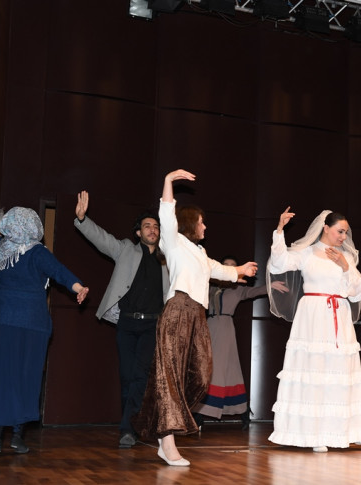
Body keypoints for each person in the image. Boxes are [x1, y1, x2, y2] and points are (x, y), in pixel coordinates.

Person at [132, 169, 258, 467]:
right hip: (177, 310)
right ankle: (167, 441)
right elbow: (166, 212)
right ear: (190, 223)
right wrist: (168, 180)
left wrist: (240, 270)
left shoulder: (200, 253)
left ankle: (164, 420)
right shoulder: (174, 242)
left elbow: (219, 269)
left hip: (198, 316)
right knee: (171, 375)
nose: (205, 226)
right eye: (202, 222)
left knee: (200, 375)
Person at [0, 207, 89, 458]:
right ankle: (17, 437)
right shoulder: (37, 252)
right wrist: (78, 287)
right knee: (25, 378)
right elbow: (59, 271)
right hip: (30, 325)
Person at [266, 207, 361, 453]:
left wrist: (345, 266)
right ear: (326, 228)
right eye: (340, 231)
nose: (343, 236)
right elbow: (278, 264)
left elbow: (357, 292)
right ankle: (314, 433)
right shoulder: (307, 253)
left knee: (342, 372)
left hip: (339, 315)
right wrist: (279, 230)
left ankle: (359, 432)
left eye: (346, 232)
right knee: (314, 371)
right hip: (313, 316)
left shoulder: (346, 257)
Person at [74, 191, 169, 449]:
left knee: (140, 376)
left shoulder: (167, 259)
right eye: (147, 226)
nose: (152, 229)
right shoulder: (126, 249)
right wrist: (82, 220)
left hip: (152, 325)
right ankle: (132, 424)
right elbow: (102, 239)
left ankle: (127, 429)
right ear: (138, 232)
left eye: (156, 226)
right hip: (127, 323)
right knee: (127, 377)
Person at [193, 256, 287, 429]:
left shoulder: (238, 289)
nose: (229, 267)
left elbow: (254, 292)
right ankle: (240, 411)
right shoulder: (209, 287)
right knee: (225, 371)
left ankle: (201, 413)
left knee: (215, 370)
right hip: (208, 328)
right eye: (226, 265)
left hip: (225, 329)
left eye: (233, 266)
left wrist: (271, 286)